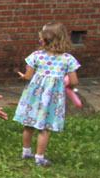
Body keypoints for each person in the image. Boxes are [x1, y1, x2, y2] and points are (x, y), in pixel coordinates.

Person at [13, 22, 80, 167]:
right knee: (45, 128)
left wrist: (22, 76)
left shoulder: (36, 56)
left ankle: (26, 151)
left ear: (43, 39)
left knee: (28, 124)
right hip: (52, 99)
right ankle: (39, 157)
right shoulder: (68, 59)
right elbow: (74, 81)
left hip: (34, 96)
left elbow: (28, 76)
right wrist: (68, 84)